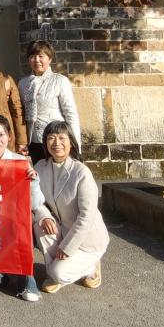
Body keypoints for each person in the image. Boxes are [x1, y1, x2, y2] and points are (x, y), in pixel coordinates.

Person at [0, 114, 50, 302]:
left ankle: (26, 278)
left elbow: (35, 203)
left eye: (1, 135)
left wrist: (33, 182)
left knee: (21, 227)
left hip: (13, 226)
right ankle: (8, 271)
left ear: (9, 136)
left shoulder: (20, 162)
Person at [35, 120, 109, 294]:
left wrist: (68, 247)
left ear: (71, 143)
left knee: (58, 272)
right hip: (63, 229)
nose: (56, 143)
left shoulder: (81, 172)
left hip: (87, 240)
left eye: (62, 138)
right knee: (40, 225)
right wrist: (44, 216)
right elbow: (36, 200)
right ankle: (57, 272)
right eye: (51, 138)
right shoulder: (41, 167)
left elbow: (87, 216)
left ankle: (90, 266)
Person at [18, 40, 80, 164]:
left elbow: (70, 113)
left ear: (50, 59)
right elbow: (21, 113)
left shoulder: (60, 81)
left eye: (41, 56)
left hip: (56, 140)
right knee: (40, 173)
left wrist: (74, 143)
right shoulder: (23, 83)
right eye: (32, 56)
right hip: (34, 140)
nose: (37, 60)